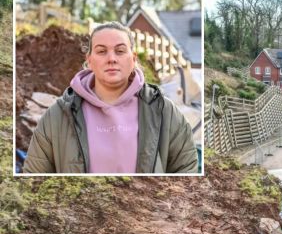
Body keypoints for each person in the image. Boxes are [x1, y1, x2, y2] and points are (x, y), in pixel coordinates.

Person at [23, 21, 198, 174]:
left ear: (133, 58)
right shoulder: (58, 115)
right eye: (101, 51)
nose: (111, 59)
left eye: (120, 51)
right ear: (89, 60)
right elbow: (33, 178)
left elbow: (186, 170)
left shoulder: (163, 111)